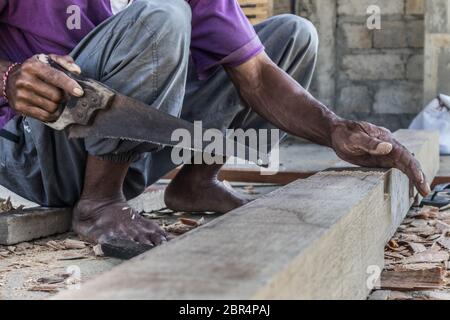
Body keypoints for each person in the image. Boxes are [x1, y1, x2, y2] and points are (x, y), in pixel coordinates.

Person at [0, 0, 430, 247]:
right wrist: (8, 77)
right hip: (40, 147)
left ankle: (195, 182)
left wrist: (335, 129)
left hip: (131, 148)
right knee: (163, 15)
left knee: (292, 35)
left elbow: (258, 76)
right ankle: (99, 203)